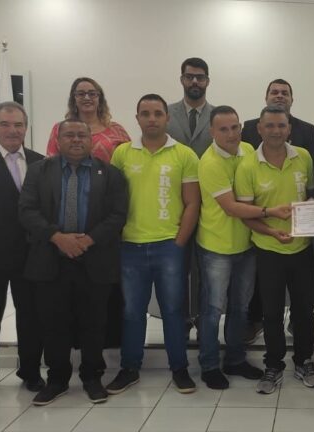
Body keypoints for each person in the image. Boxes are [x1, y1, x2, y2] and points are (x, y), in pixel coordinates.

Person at [19, 119, 128, 405]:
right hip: (50, 258)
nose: (76, 139)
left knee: (94, 322)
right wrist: (57, 237)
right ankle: (57, 379)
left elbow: (118, 215)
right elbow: (27, 211)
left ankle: (92, 377)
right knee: (53, 323)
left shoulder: (111, 174)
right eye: (69, 135)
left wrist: (87, 240)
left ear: (91, 140)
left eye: (82, 135)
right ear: (58, 140)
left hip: (95, 259)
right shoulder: (39, 171)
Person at [106, 94, 201, 395]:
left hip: (169, 247)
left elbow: (192, 203)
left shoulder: (184, 154)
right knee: (132, 311)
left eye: (158, 113)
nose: (152, 119)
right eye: (145, 113)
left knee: (173, 311)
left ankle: (179, 368)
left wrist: (179, 242)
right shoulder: (122, 153)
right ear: (137, 118)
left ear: (167, 118)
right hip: (130, 247)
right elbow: (112, 201)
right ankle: (129, 368)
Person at [196, 105, 288, 389]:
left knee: (240, 307)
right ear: (212, 132)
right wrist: (270, 212)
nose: (231, 134)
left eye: (235, 127)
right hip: (217, 247)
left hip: (246, 245)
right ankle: (209, 365)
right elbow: (232, 207)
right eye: (223, 129)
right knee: (212, 310)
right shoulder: (209, 163)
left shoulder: (248, 150)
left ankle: (235, 360)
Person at [235, 105, 314, 394]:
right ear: (259, 128)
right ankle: (273, 364)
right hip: (268, 249)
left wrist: (313, 215)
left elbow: (311, 197)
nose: (275, 131)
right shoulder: (247, 165)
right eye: (269, 125)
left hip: (302, 249)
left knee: (304, 311)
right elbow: (246, 214)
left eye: (281, 125)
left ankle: (304, 360)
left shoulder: (304, 157)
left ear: (289, 128)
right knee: (271, 313)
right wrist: (272, 231)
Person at [0, 101, 44, 389]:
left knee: (31, 316)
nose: (12, 130)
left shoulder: (41, 162)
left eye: (18, 124)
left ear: (26, 127)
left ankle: (30, 372)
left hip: (31, 254)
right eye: (5, 124)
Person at [46, 77, 130, 164]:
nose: (87, 98)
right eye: (81, 94)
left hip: (109, 173)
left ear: (99, 99)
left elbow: (130, 161)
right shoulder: (60, 129)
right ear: (74, 100)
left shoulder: (116, 130)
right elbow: (50, 164)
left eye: (92, 94)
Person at [167, 57, 215, 157]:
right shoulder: (166, 113)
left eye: (200, 77)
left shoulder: (217, 115)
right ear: (181, 80)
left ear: (207, 81)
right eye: (189, 77)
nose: (194, 81)